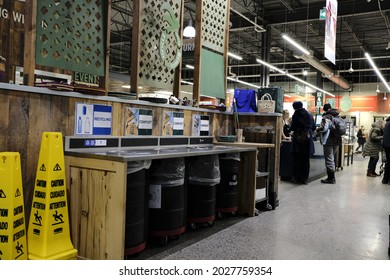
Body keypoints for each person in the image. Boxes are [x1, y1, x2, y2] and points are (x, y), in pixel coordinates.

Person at [289, 101, 315, 185]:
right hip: (307, 140)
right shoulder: (309, 115)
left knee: (297, 160)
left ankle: (296, 178)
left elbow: (293, 127)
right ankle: (305, 179)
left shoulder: (296, 115)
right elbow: (314, 127)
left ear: (294, 107)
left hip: (298, 141)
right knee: (306, 160)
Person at [316, 103, 342, 184]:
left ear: (324, 109)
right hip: (337, 140)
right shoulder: (338, 116)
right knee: (332, 158)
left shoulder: (326, 117)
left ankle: (331, 178)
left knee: (329, 159)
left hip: (328, 140)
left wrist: (317, 130)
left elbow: (323, 128)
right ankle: (331, 177)